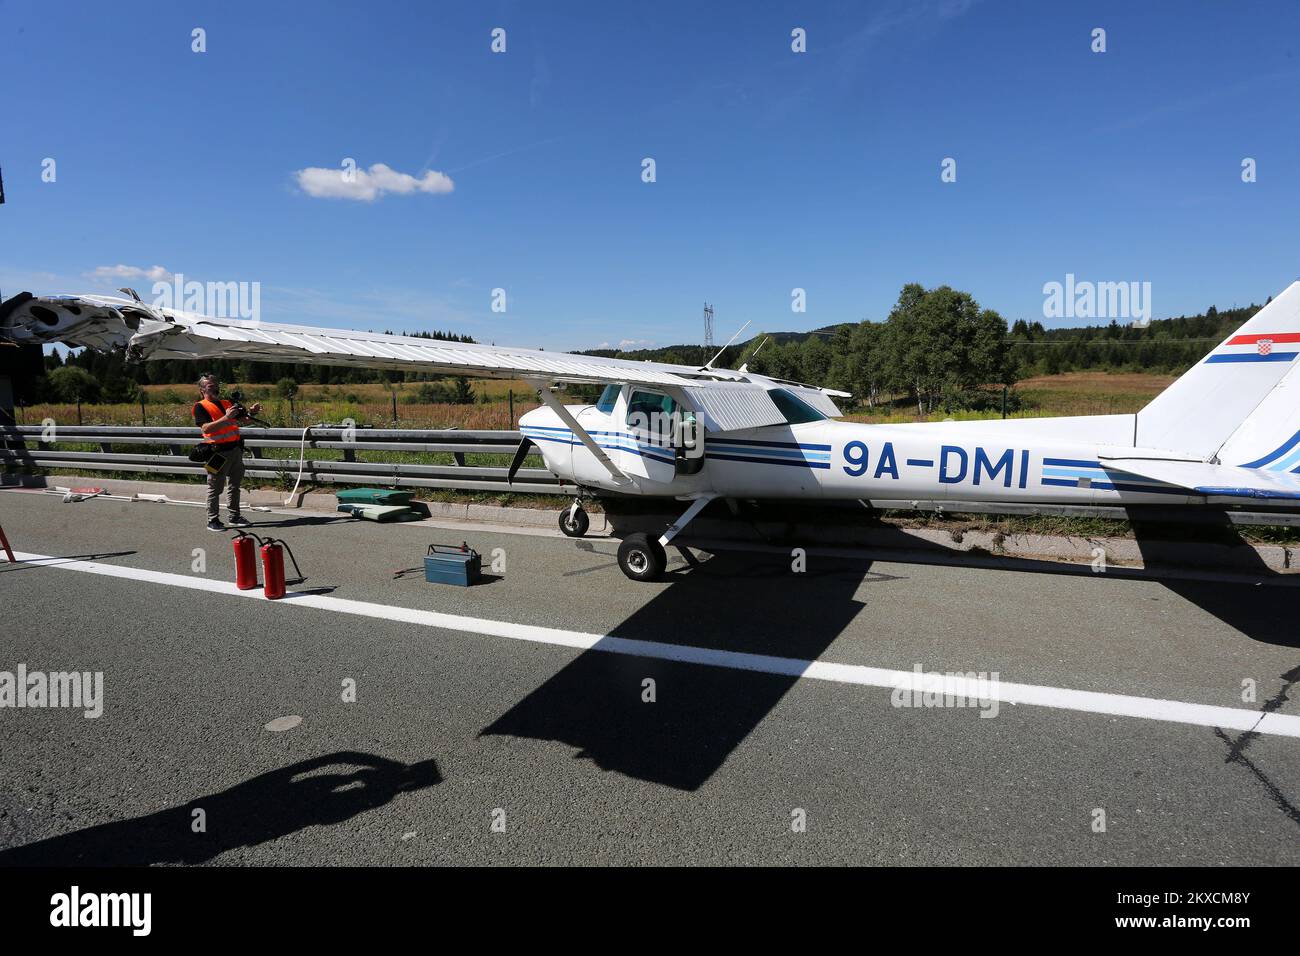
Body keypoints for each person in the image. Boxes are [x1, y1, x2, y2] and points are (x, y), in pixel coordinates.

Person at [192, 373, 262, 532]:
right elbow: (205, 428)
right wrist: (225, 417)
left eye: (215, 384)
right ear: (202, 389)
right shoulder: (200, 406)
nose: (214, 387)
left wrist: (252, 412)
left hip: (235, 450)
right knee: (214, 487)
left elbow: (244, 420)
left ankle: (234, 516)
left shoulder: (227, 403)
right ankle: (213, 519)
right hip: (215, 453)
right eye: (210, 385)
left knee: (234, 485)